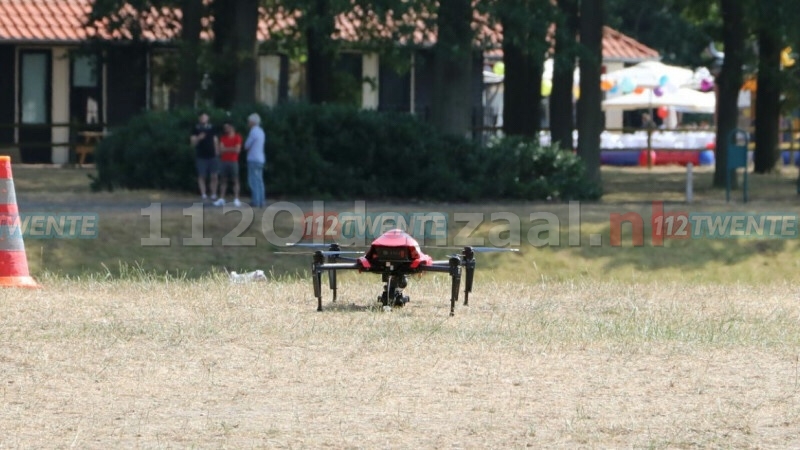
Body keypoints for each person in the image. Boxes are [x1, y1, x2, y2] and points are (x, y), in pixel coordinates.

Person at [190, 112, 219, 201]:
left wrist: (217, 151)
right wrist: (199, 138)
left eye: (205, 117)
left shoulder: (212, 128)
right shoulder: (196, 128)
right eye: (202, 117)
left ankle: (213, 193)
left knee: (214, 175)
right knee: (202, 175)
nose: (203, 118)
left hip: (212, 155)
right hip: (201, 155)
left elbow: (215, 140)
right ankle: (203, 193)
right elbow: (192, 143)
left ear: (208, 118)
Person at [214, 122, 242, 207]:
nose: (225, 129)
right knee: (223, 180)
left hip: (233, 161)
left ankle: (236, 198)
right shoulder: (223, 138)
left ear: (232, 127)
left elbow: (237, 150)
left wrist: (225, 149)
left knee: (235, 180)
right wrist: (231, 149)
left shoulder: (237, 137)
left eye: (227, 127)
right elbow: (220, 150)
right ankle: (222, 198)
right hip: (224, 161)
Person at [244, 113, 266, 207]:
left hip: (253, 158)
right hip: (261, 158)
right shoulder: (261, 131)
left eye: (249, 121)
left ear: (252, 122)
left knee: (253, 180)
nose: (248, 123)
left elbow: (247, 145)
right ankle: (261, 200)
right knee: (259, 180)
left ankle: (255, 201)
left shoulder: (253, 132)